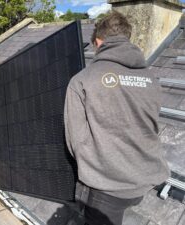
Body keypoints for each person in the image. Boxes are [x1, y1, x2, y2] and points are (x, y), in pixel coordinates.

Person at [64, 11, 170, 225]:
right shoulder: (151, 79)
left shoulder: (83, 80)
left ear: (99, 41)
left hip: (107, 185)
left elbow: (74, 139)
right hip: (146, 177)